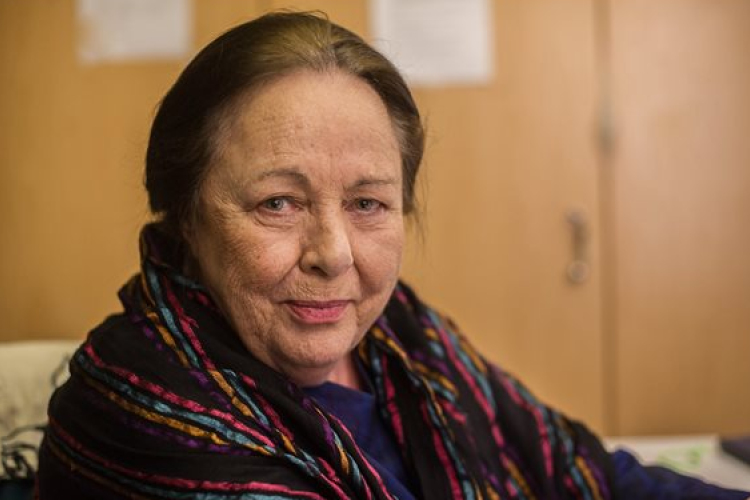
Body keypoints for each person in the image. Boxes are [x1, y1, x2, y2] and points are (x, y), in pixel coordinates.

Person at [36, 11, 749, 500]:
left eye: (367, 203)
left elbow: (577, 469)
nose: (333, 254)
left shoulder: (404, 338)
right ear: (186, 216)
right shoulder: (139, 413)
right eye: (278, 202)